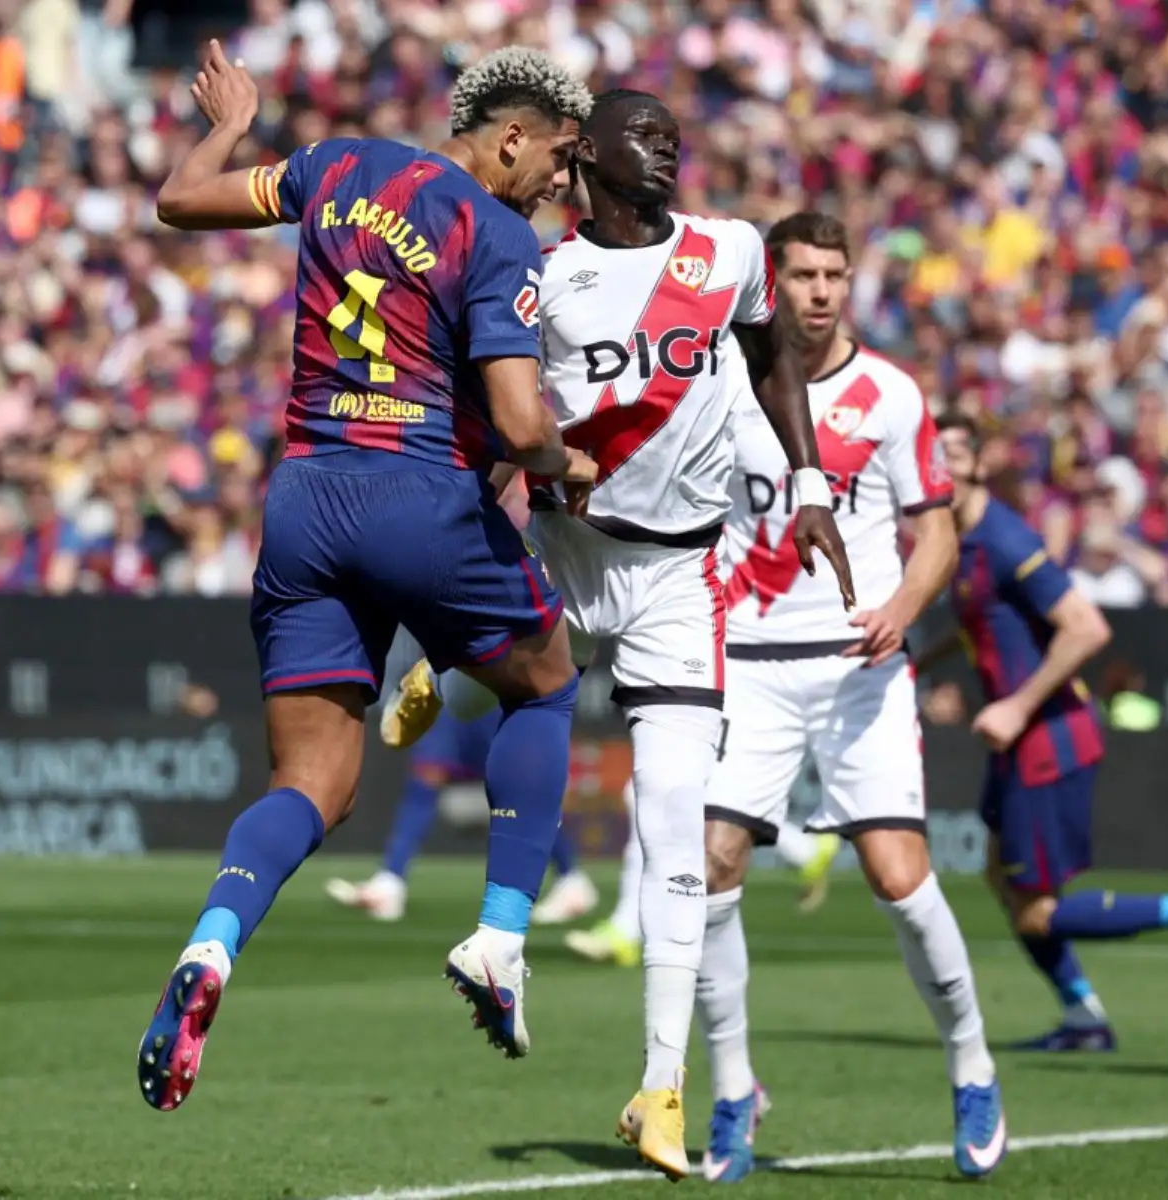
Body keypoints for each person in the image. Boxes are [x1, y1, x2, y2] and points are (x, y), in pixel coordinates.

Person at [379, 91, 853, 1181]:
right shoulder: (538, 272)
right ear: (584, 152)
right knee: (505, 685)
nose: (670, 148)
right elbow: (491, 408)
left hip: (681, 572)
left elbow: (774, 361)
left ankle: (659, 1087)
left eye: (676, 138)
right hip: (561, 547)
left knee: (674, 826)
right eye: (645, 135)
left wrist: (813, 482)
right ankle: (436, 664)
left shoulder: (731, 252)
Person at [136, 43, 599, 1112]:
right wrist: (567, 462)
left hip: (305, 500)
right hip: (418, 493)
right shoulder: (496, 235)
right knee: (546, 681)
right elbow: (523, 425)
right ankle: (501, 936)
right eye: (561, 159)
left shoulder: (336, 167)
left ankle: (213, 945)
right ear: (513, 138)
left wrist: (230, 121)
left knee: (312, 786)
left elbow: (180, 199)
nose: (564, 185)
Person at [691, 212, 1003, 1183]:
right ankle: (735, 1091)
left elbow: (938, 531)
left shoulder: (893, 396)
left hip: (860, 668)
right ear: (772, 282)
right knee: (710, 866)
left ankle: (972, 1064)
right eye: (804, 275)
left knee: (901, 884)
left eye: (836, 275)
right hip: (750, 660)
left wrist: (906, 604)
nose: (821, 291)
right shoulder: (727, 384)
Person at [931, 411, 1168, 1057]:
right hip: (1018, 739)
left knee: (1035, 909)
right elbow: (977, 622)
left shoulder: (1004, 540)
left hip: (1046, 737)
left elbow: (1087, 627)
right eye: (929, 455)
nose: (939, 465)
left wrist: (1018, 706)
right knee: (1000, 874)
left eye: (953, 453)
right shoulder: (958, 542)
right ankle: (1082, 1014)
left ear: (978, 465)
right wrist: (911, 656)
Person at [325, 705, 598, 925]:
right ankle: (390, 880)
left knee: (522, 789)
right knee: (426, 777)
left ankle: (570, 878)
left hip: (499, 682)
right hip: (454, 675)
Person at [565, 780, 840, 968]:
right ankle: (803, 849)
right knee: (681, 795)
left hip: (712, 704)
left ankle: (625, 930)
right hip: (706, 705)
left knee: (652, 793)